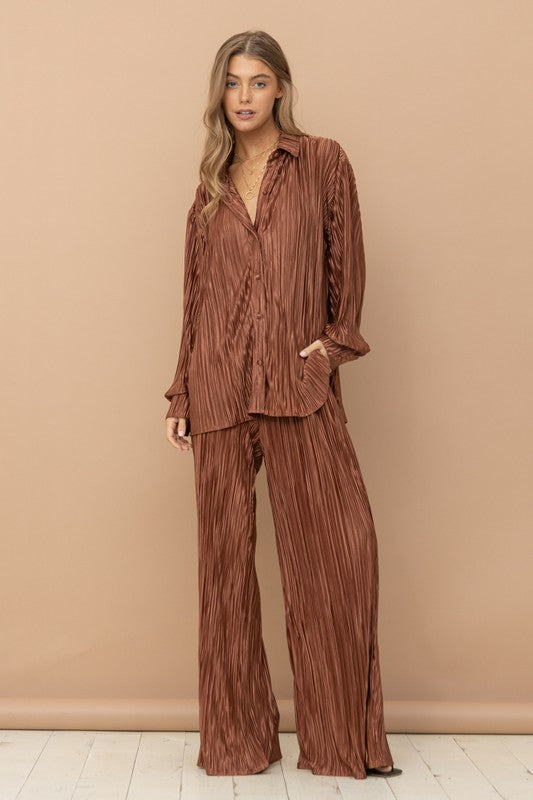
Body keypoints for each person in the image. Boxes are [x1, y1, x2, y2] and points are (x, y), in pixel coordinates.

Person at [163, 29, 402, 780]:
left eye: (258, 82)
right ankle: (236, 743)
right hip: (217, 389)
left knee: (336, 558)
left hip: (298, 387)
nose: (244, 96)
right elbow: (197, 300)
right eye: (232, 83)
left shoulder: (322, 162)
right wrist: (181, 390)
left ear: (280, 90)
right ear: (219, 94)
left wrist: (330, 349)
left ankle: (340, 744)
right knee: (225, 576)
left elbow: (345, 264)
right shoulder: (208, 189)